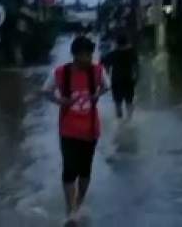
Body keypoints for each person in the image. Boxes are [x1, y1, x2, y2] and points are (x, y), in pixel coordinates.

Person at [42, 36, 108, 223]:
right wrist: (60, 101)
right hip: (68, 130)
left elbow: (106, 86)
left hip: (90, 130)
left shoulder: (97, 71)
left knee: (85, 170)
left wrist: (97, 94)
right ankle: (70, 208)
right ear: (75, 55)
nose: (88, 58)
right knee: (69, 170)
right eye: (84, 55)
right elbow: (45, 91)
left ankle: (78, 203)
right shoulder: (60, 72)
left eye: (90, 54)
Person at [102, 35, 137, 119]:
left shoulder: (113, 54)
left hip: (116, 80)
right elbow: (136, 66)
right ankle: (129, 119)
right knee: (129, 101)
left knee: (118, 102)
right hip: (129, 80)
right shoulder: (132, 52)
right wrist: (135, 77)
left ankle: (119, 120)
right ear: (127, 42)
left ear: (117, 44)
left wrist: (107, 71)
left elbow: (103, 62)